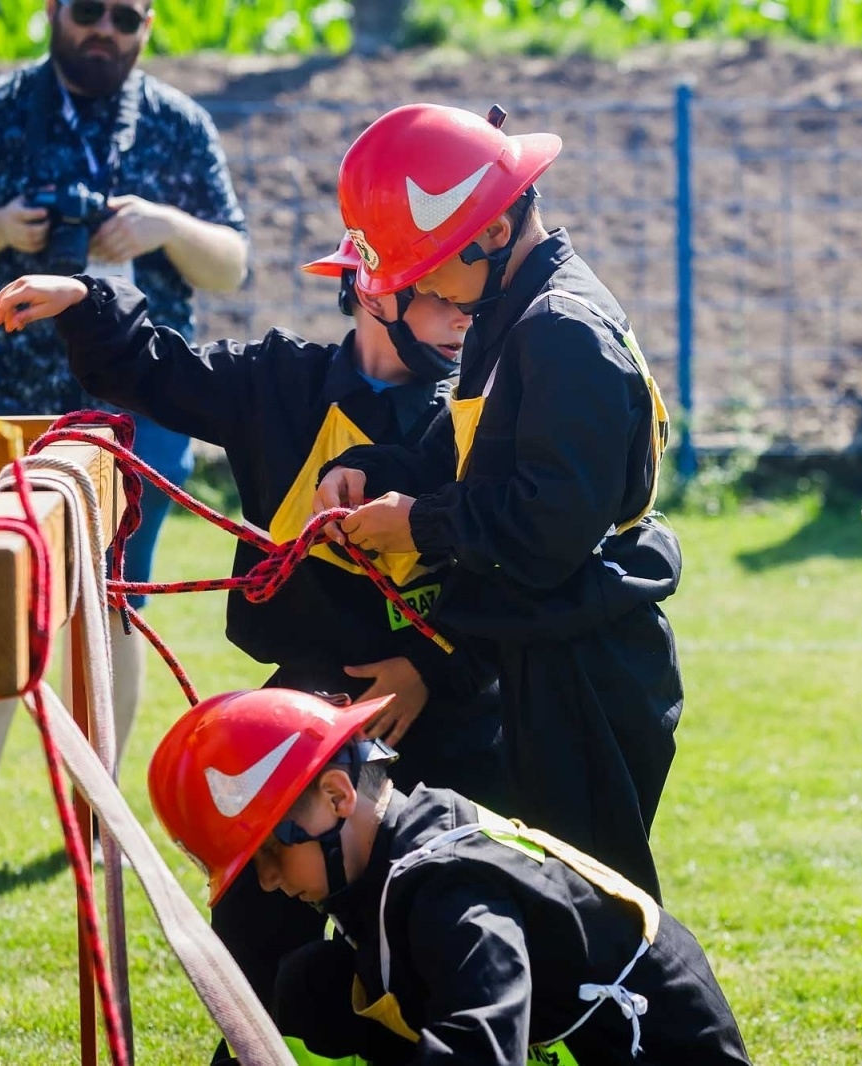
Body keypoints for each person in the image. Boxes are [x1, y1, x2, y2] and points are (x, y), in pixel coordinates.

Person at [0, 239, 512, 1018]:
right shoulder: (277, 381)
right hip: (305, 707)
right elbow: (159, 370)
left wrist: (429, 669)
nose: (462, 319)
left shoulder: (474, 415)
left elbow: (515, 567)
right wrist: (87, 301)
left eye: (470, 303)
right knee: (256, 909)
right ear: (373, 292)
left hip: (448, 707)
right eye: (439, 297)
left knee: (457, 918)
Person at [0, 0, 250, 893]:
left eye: (126, 17)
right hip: (3, 398)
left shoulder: (180, 124)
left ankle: (99, 817)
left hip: (141, 406)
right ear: (53, 11)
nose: (106, 31)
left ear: (150, 22)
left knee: (115, 602)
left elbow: (232, 263)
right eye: (89, 11)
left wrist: (166, 227)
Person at [311, 103, 684, 903]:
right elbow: (465, 456)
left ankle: (659, 1030)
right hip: (543, 646)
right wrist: (374, 474)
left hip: (590, 666)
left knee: (596, 906)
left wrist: (415, 523)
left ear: (487, 233)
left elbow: (546, 527)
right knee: (539, 897)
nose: (420, 290)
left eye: (427, 264)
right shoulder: (507, 314)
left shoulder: (559, 331)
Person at [149, 688, 753, 1066]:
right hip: (558, 1035)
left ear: (337, 795)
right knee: (312, 989)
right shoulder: (387, 855)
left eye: (270, 857)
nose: (271, 883)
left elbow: (482, 1041)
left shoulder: (451, 892)